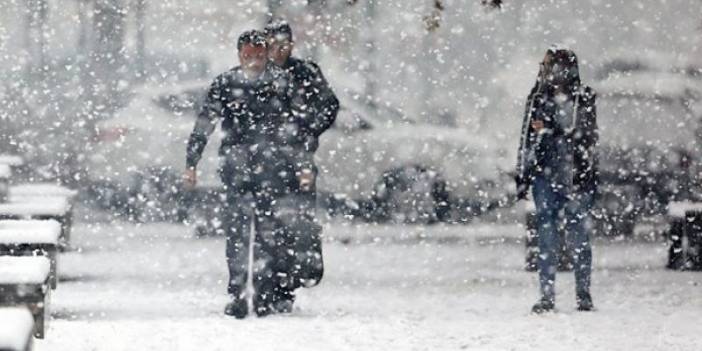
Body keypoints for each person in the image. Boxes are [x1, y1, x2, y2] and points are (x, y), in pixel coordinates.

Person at [183, 30, 299, 318]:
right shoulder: (226, 83)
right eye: (249, 56)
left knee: (268, 233)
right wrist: (192, 161)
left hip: (272, 169)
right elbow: (205, 122)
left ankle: (263, 292)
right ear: (239, 55)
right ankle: (238, 292)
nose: (254, 61)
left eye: (259, 55)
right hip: (238, 169)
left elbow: (297, 128)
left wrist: (298, 163)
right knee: (238, 233)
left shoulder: (281, 83)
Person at [515, 46, 599, 313]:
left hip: (575, 176)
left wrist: (549, 130)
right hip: (546, 175)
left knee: (577, 237)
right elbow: (529, 135)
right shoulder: (538, 97)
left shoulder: (582, 97)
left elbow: (583, 134)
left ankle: (582, 294)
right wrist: (524, 173)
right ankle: (548, 295)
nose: (552, 73)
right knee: (547, 235)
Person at [263, 20, 340, 306]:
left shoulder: (305, 73)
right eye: (272, 45)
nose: (278, 51)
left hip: (298, 159)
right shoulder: (257, 74)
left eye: (282, 45)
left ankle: (291, 280)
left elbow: (329, 105)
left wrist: (307, 130)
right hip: (264, 162)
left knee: (298, 222)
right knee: (266, 221)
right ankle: (271, 280)